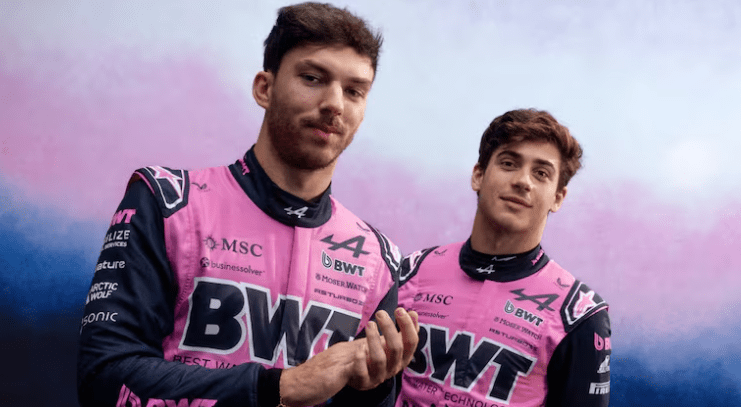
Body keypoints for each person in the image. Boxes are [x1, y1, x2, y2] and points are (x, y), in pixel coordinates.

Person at [77, 3, 419, 406]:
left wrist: (373, 389)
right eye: (312, 78)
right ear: (264, 88)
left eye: (354, 91)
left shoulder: (378, 261)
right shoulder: (168, 203)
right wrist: (279, 387)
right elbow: (103, 377)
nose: (335, 104)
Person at [395, 109, 611, 407]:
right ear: (478, 175)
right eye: (509, 164)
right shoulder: (412, 271)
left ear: (558, 197)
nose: (523, 181)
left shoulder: (578, 314)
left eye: (541, 173)